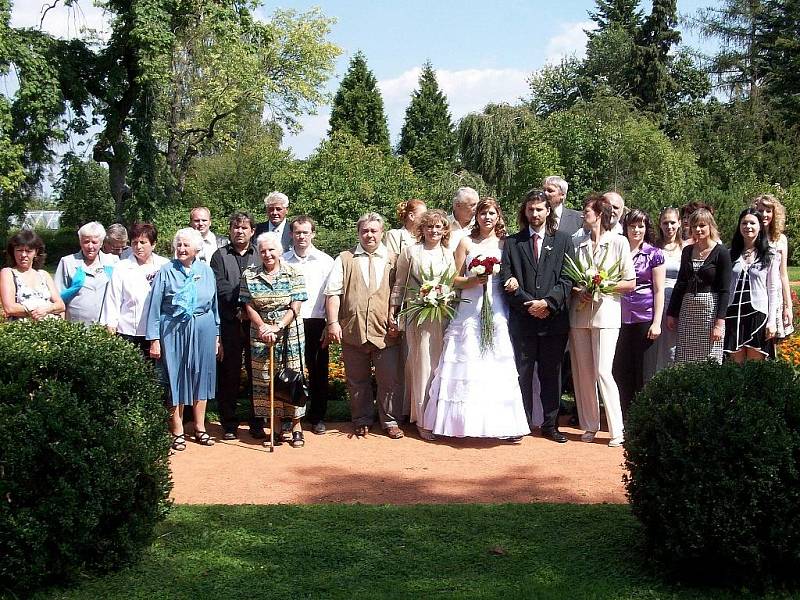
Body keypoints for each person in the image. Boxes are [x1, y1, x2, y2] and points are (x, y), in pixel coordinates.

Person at [425, 197, 530, 440]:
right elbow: (454, 279)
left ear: (498, 216)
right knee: (467, 359)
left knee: (496, 362)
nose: (487, 218)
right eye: (483, 213)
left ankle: (504, 425)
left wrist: (513, 282)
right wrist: (473, 280)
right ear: (476, 217)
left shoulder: (507, 243)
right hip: (470, 307)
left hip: (496, 308)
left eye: (492, 213)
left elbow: (515, 274)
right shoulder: (465, 242)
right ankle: (458, 424)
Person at [500, 189, 575, 443]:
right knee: (522, 373)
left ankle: (550, 425)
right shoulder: (512, 242)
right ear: (525, 211)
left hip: (554, 320)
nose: (535, 213)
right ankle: (520, 423)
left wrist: (547, 303)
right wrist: (528, 303)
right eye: (531, 209)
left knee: (551, 374)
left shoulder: (564, 240)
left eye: (539, 209)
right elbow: (506, 278)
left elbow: (568, 278)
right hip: (523, 320)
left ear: (548, 211)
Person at [324, 212, 404, 439]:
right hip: (353, 330)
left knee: (389, 380)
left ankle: (390, 421)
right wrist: (332, 323)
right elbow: (334, 293)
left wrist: (398, 320)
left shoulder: (394, 259)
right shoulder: (345, 259)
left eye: (374, 231)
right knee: (357, 381)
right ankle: (361, 419)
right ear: (359, 233)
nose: (369, 235)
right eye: (365, 231)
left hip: (386, 332)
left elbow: (403, 295)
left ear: (382, 233)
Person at [569, 194, 635, 447]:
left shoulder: (619, 242)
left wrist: (603, 285)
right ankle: (589, 425)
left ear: (599, 214)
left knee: (602, 371)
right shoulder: (579, 243)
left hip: (607, 313)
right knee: (583, 372)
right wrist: (582, 289)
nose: (584, 214)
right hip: (579, 313)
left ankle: (617, 429)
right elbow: (572, 281)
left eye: (587, 210)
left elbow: (630, 282)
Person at [146, 228, 220, 450]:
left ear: (197, 248)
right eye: (178, 244)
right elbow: (154, 308)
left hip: (203, 329)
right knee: (175, 376)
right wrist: (154, 339)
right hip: (174, 330)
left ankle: (200, 427)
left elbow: (214, 307)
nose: (181, 248)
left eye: (186, 245)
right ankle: (177, 429)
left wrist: (217, 335)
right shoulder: (166, 271)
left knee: (202, 376)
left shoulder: (206, 271)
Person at [389, 209, 455, 440]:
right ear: (422, 229)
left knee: (440, 366)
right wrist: (393, 312)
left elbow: (453, 286)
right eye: (429, 226)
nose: (434, 231)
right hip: (418, 315)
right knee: (421, 365)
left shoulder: (449, 254)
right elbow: (399, 285)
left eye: (438, 227)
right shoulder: (410, 252)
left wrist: (444, 297)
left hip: (442, 316)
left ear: (445, 230)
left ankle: (437, 415)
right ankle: (421, 419)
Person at [242, 232, 308, 448]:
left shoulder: (294, 273)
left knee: (292, 378)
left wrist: (278, 327)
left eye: (271, 250)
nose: (267, 254)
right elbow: (248, 304)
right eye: (263, 251)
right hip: (261, 334)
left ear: (279, 251)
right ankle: (276, 426)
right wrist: (263, 326)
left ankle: (296, 426)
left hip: (289, 333)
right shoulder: (249, 274)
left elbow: (296, 305)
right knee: (266, 379)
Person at [209, 212, 262, 440]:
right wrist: (242, 300)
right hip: (229, 323)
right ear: (230, 230)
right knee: (228, 375)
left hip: (255, 324)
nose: (239, 231)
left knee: (257, 375)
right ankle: (229, 424)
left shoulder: (261, 254)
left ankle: (257, 423)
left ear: (252, 231)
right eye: (235, 227)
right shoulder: (218, 256)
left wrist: (249, 307)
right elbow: (219, 286)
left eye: (244, 227)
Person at [283, 215, 335, 435]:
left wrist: (329, 323)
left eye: (305, 232)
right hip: (290, 320)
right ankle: (289, 416)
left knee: (318, 370)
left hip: (317, 321)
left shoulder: (326, 261)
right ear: (291, 234)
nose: (301, 236)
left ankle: (317, 416)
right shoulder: (283, 260)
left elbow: (332, 294)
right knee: (290, 371)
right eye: (297, 232)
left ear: (313, 233)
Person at [612, 209, 665, 417]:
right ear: (625, 228)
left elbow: (659, 290)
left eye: (640, 226)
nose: (636, 230)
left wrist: (657, 322)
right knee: (620, 368)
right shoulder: (617, 251)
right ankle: (624, 415)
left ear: (646, 228)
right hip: (618, 316)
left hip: (645, 317)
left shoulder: (654, 254)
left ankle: (642, 416)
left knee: (642, 370)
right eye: (632, 226)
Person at [667, 208, 731, 365]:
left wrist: (719, 323)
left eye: (702, 225)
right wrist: (672, 313)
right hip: (688, 311)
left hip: (709, 311)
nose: (698, 229)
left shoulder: (721, 252)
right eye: (694, 226)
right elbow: (681, 283)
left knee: (708, 360)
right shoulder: (687, 251)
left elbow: (724, 290)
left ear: (710, 226)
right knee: (684, 360)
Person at [101, 223, 169, 356]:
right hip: (128, 331)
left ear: (153, 244)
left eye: (143, 242)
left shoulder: (165, 265)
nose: (138, 247)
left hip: (157, 332)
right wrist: (110, 326)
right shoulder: (121, 267)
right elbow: (113, 299)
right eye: (134, 243)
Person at [724, 208, 780, 362]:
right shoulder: (730, 254)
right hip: (734, 314)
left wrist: (772, 321)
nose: (748, 226)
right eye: (744, 223)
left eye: (752, 223)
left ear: (760, 226)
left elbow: (773, 289)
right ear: (739, 226)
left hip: (757, 314)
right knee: (736, 369)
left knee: (755, 369)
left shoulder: (770, 255)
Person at [643, 207, 684, 380]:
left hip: (677, 303)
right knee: (652, 348)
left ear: (680, 223)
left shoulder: (686, 248)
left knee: (671, 349)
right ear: (660, 224)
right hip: (655, 301)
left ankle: (669, 384)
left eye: (673, 222)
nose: (669, 227)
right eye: (665, 223)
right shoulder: (653, 248)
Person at [55, 221, 118, 324]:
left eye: (94, 242)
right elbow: (58, 297)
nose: (90, 246)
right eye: (86, 242)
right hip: (75, 328)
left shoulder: (113, 262)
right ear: (80, 242)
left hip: (104, 328)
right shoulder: (67, 262)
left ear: (101, 243)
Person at [754, 194, 794, 339]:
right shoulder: (751, 236)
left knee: (772, 339)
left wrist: (788, 306)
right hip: (757, 292)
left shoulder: (780, 239)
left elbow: (783, 274)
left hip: (774, 294)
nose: (764, 214)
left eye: (768, 211)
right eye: (760, 210)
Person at [1, 230, 64, 321]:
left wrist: (46, 310)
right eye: (19, 250)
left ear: (36, 252)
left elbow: (61, 305)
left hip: (50, 329)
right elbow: (10, 308)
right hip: (22, 331)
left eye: (28, 251)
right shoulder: (8, 273)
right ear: (13, 252)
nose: (23, 255)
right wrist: (37, 310)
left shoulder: (44, 275)